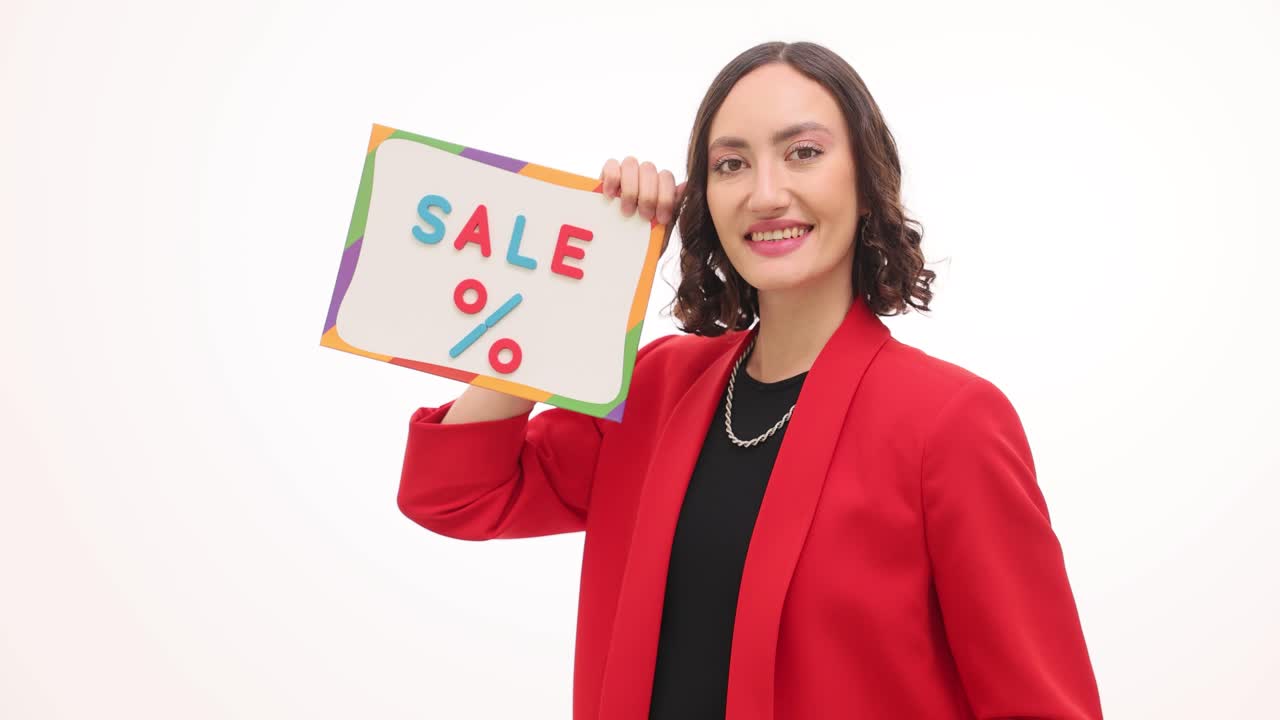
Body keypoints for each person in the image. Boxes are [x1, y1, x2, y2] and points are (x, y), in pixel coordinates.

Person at [398, 40, 1103, 720]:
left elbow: (1041, 703)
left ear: (865, 183)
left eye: (804, 153)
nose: (767, 194)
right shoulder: (658, 387)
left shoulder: (950, 421)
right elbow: (454, 495)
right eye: (732, 165)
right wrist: (578, 284)